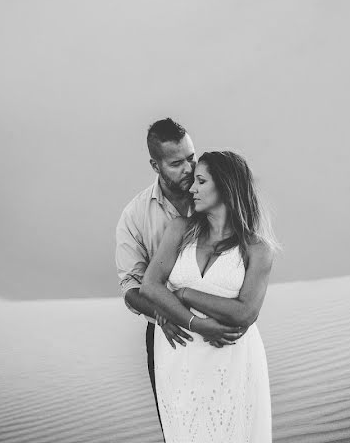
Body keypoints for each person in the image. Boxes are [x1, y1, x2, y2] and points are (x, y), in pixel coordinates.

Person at [115, 119, 243, 437]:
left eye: (191, 157)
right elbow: (131, 286)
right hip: (168, 334)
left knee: (227, 424)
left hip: (220, 331)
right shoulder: (134, 216)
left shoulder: (217, 197)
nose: (188, 168)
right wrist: (164, 311)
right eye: (176, 163)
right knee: (179, 428)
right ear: (154, 165)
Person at [142, 150, 277, 443]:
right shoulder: (181, 229)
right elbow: (150, 286)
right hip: (179, 358)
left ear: (226, 187)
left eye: (201, 181)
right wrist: (194, 322)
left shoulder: (258, 249)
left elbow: (245, 313)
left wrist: (184, 293)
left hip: (232, 361)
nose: (192, 188)